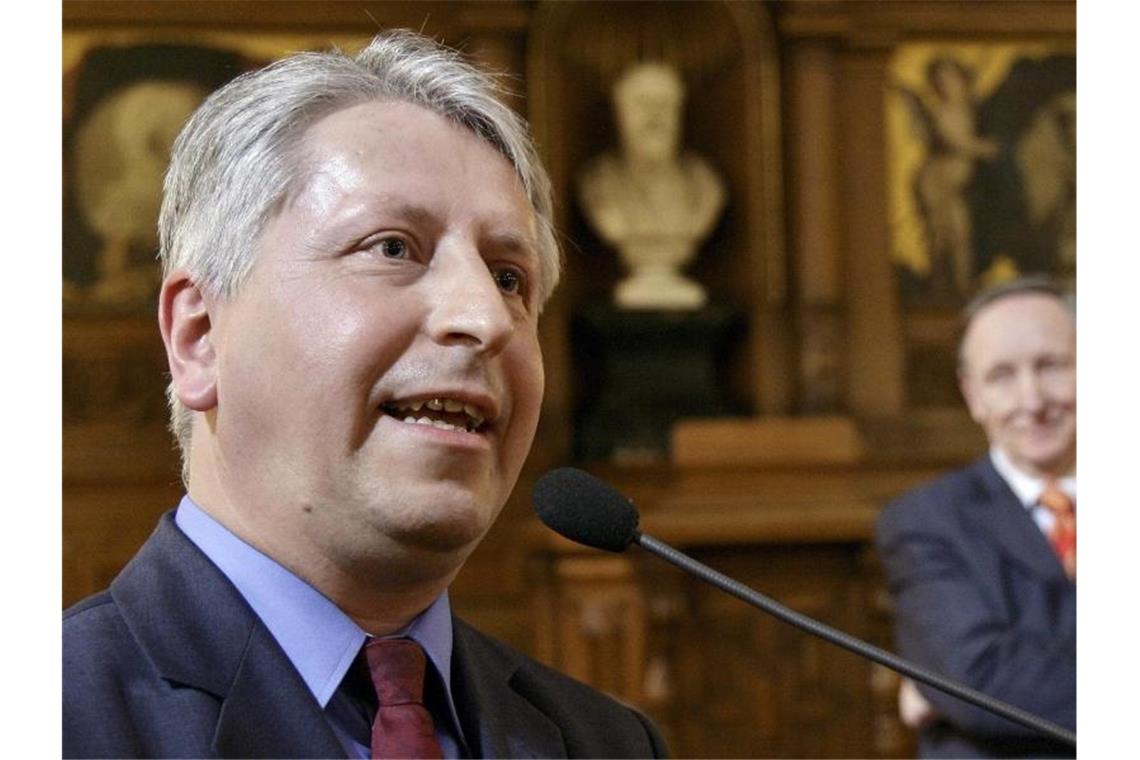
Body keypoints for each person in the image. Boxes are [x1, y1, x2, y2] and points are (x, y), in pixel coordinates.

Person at [63, 31, 668, 759]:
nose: (484, 318)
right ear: (199, 337)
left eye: (510, 277)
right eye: (392, 248)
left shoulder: (608, 744)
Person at [876, 276, 1076, 758]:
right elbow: (979, 682)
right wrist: (958, 689)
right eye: (1001, 376)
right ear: (973, 396)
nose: (1032, 400)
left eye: (1051, 366)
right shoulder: (923, 522)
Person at [576, 62, 724, 310]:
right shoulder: (597, 185)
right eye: (641, 104)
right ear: (619, 114)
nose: (654, 116)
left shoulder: (706, 187)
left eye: (664, 105)